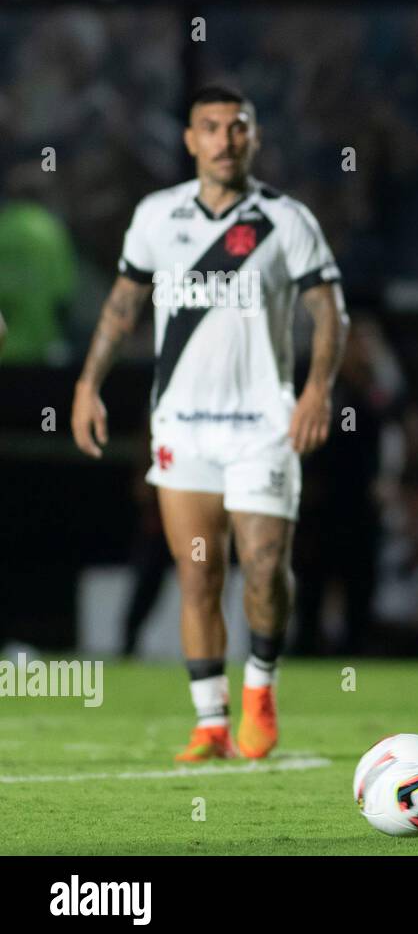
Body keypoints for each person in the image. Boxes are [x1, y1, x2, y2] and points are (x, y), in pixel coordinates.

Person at [70, 85, 348, 761]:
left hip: (262, 424)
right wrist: (87, 384)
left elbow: (330, 311)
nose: (225, 140)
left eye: (238, 127)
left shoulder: (286, 219)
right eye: (211, 128)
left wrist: (317, 391)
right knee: (196, 575)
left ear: (254, 138)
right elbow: (122, 305)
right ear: (190, 140)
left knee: (262, 564)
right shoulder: (157, 217)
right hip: (184, 426)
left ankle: (260, 686)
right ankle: (210, 722)